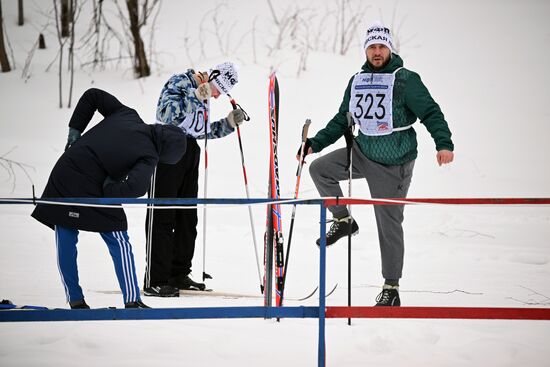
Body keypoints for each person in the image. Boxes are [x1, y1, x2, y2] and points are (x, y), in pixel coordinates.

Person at [299, 22, 454, 306]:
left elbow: (430, 112)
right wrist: (314, 144)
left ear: (390, 49)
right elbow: (342, 119)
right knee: (319, 169)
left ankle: (391, 287)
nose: (377, 51)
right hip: (362, 152)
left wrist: (443, 143)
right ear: (366, 50)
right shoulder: (357, 79)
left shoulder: (406, 79)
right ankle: (343, 219)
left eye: (382, 46)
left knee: (388, 223)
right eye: (372, 47)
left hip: (394, 160)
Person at [31, 88, 187, 309]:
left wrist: (75, 130)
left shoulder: (128, 114)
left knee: (65, 233)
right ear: (165, 154)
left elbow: (93, 95)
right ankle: (132, 300)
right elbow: (136, 187)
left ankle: (75, 298)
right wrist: (110, 191)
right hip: (94, 186)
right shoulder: (150, 155)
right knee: (119, 238)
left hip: (64, 173)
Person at [144, 61, 245, 297]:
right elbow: (165, 114)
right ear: (212, 79)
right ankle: (155, 279)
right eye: (219, 90)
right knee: (162, 215)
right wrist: (196, 95)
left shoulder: (206, 95)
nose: (218, 96)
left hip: (190, 152)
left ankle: (178, 273)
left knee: (187, 217)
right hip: (168, 149)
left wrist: (229, 123)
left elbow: (200, 130)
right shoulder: (180, 82)